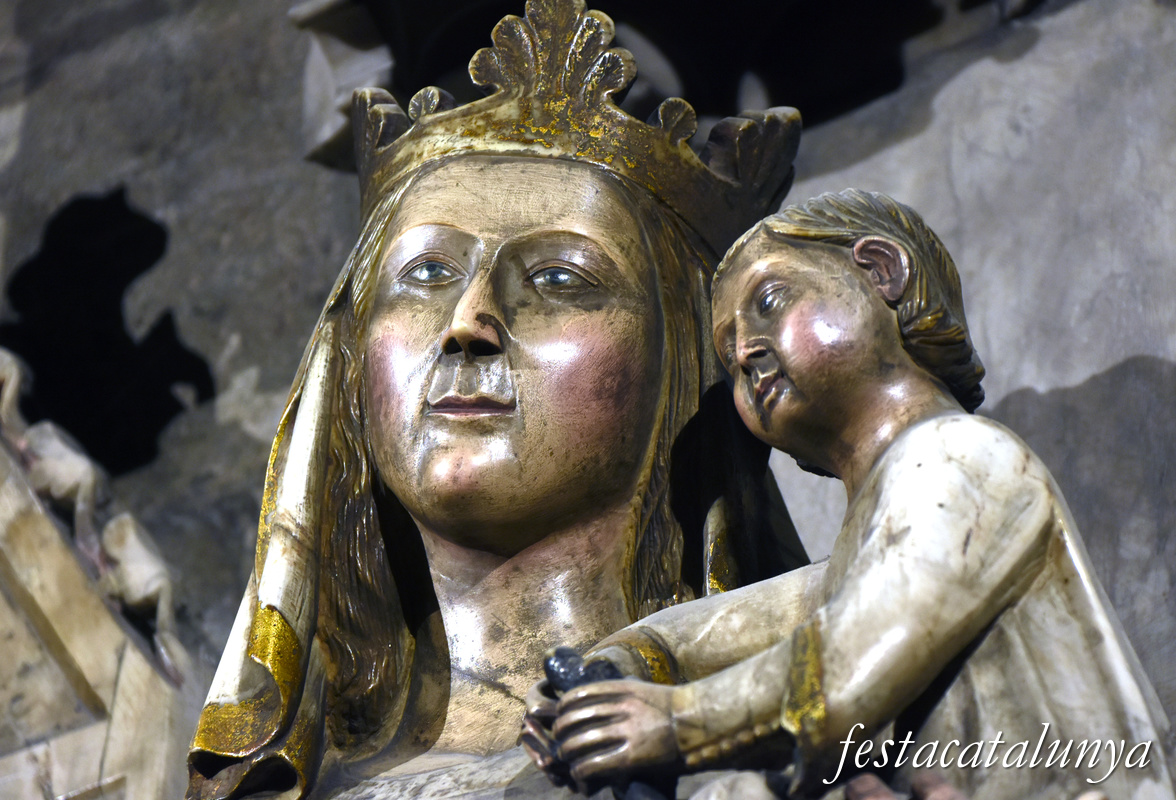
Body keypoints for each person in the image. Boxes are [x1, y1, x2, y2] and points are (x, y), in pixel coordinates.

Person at [185, 2, 808, 797]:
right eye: (424, 274)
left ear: (681, 360)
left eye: (558, 278)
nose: (469, 322)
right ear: (346, 356)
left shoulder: (821, 719)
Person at [531, 190, 1173, 799]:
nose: (748, 351)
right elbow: (702, 636)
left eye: (770, 300)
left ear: (881, 271)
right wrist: (610, 674)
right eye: (728, 358)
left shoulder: (961, 458)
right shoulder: (861, 553)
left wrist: (672, 723)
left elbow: (845, 668)